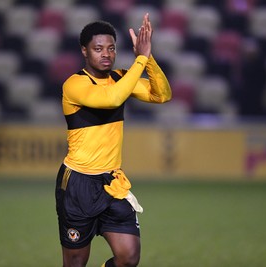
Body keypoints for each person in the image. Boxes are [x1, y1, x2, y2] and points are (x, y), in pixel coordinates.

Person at [55, 13, 171, 267]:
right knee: (75, 261)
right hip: (78, 184)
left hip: (112, 183)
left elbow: (161, 95)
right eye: (98, 49)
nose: (106, 53)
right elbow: (111, 99)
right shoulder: (74, 84)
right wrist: (140, 59)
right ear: (84, 51)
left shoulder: (120, 78)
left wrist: (147, 58)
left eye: (111, 48)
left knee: (128, 256)